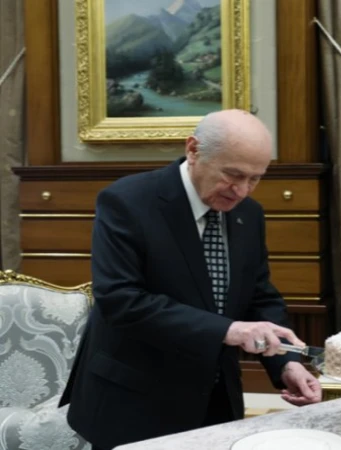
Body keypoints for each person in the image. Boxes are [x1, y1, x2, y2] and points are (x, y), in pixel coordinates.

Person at [60, 110, 322, 450]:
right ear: (194, 150)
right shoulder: (127, 201)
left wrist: (285, 362)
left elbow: (259, 297)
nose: (242, 191)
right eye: (233, 175)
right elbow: (121, 300)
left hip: (216, 401)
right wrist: (229, 330)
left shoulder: (249, 214)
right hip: (134, 404)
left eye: (255, 179)